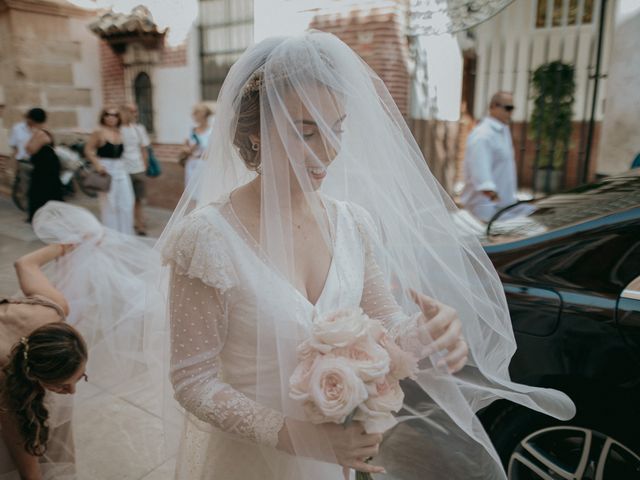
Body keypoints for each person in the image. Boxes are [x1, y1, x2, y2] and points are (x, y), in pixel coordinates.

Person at [156, 32, 574, 479]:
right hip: (254, 461)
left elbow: (387, 327)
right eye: (305, 130)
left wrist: (426, 335)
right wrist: (299, 436)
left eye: (337, 127)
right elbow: (193, 381)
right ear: (254, 133)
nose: (329, 150)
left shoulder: (353, 223)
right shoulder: (207, 239)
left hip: (335, 461)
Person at [0, 244, 88, 480]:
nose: (71, 392)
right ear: (29, 373)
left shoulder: (52, 309)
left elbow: (25, 263)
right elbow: (15, 433)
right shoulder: (5, 375)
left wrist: (68, 245)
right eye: (61, 385)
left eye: (81, 377)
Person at [460, 91, 518, 222]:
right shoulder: (483, 135)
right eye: (508, 108)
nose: (511, 112)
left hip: (502, 209)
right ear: (493, 106)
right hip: (486, 211)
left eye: (512, 108)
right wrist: (496, 201)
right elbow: (481, 178)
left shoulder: (502, 130)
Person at [84, 107, 135, 235]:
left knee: (127, 202)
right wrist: (97, 165)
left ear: (118, 118)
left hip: (121, 169)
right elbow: (88, 150)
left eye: (114, 115)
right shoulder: (98, 132)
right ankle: (112, 237)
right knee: (109, 205)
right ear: (103, 117)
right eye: (108, 115)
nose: (111, 117)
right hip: (106, 169)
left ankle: (126, 235)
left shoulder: (121, 132)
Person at [23, 110, 64, 222]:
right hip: (42, 165)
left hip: (46, 166)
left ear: (32, 119)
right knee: (39, 189)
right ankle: (41, 215)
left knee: (44, 190)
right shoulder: (38, 132)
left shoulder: (41, 133)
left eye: (27, 118)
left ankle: (47, 216)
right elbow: (27, 147)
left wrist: (31, 138)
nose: (26, 121)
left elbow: (31, 149)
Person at [120, 103, 151, 236]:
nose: (135, 114)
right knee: (126, 199)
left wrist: (144, 166)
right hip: (122, 169)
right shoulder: (118, 129)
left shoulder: (139, 128)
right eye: (132, 111)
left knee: (138, 198)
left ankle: (140, 224)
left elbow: (144, 148)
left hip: (137, 168)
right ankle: (128, 223)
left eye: (136, 111)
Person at [179, 103, 214, 191]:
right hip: (192, 165)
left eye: (195, 113)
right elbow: (184, 147)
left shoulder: (212, 132)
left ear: (203, 115)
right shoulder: (192, 131)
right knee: (192, 192)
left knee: (204, 191)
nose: (193, 116)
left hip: (205, 165)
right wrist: (188, 149)